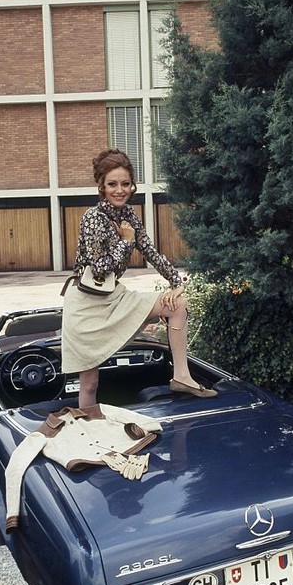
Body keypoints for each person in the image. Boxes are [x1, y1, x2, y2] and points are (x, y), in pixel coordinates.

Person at [61, 148, 217, 408]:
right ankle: (87, 429)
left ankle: (181, 376)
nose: (119, 190)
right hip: (85, 304)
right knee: (89, 383)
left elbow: (149, 250)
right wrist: (124, 242)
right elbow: (99, 269)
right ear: (101, 186)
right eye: (112, 184)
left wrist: (176, 282)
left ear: (132, 185)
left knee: (178, 305)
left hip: (114, 297)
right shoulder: (92, 219)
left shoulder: (129, 216)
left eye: (125, 184)